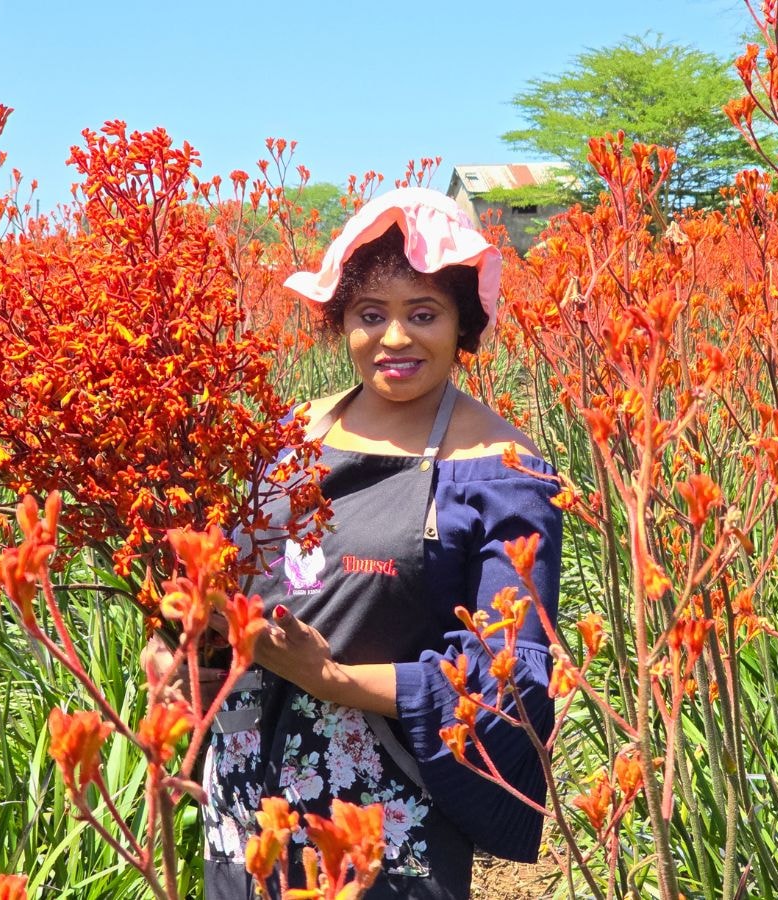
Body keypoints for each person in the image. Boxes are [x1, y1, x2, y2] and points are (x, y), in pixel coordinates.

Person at [202, 188, 563, 899]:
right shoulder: (285, 434)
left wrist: (329, 680)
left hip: (386, 808)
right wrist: (184, 637)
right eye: (371, 315)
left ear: (463, 323)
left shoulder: (504, 470)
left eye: (422, 314)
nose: (394, 338)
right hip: (244, 783)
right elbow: (221, 564)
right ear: (342, 323)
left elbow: (509, 677)